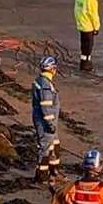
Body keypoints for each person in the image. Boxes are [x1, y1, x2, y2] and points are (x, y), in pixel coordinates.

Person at [31, 56, 61, 190]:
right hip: (45, 123)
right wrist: (50, 124)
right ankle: (41, 176)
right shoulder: (45, 85)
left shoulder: (43, 82)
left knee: (55, 146)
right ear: (53, 69)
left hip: (48, 122)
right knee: (45, 149)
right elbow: (46, 106)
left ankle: (54, 172)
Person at [74, 0, 100, 71]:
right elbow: (94, 15)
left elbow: (76, 12)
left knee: (83, 45)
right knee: (88, 46)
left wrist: (79, 22)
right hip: (89, 27)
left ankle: (83, 62)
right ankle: (86, 64)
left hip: (81, 25)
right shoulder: (92, 0)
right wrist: (96, 27)